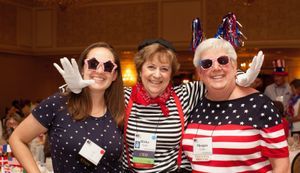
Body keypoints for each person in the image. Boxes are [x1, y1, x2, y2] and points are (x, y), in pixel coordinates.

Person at [54, 38, 264, 172]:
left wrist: (240, 78)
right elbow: (93, 89)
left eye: (164, 69)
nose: (157, 74)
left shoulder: (186, 94)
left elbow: (216, 77)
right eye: (151, 67)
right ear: (140, 70)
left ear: (171, 74)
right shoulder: (123, 96)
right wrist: (73, 87)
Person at [9, 42, 125, 173]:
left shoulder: (120, 109)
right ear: (82, 69)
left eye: (108, 66)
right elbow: (17, 139)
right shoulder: (59, 104)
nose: (99, 70)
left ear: (114, 75)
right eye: (93, 64)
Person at [182, 38, 289, 172]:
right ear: (199, 72)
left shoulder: (260, 105)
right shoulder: (195, 104)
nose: (216, 68)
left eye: (223, 60)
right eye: (207, 63)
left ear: (234, 65)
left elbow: (282, 167)